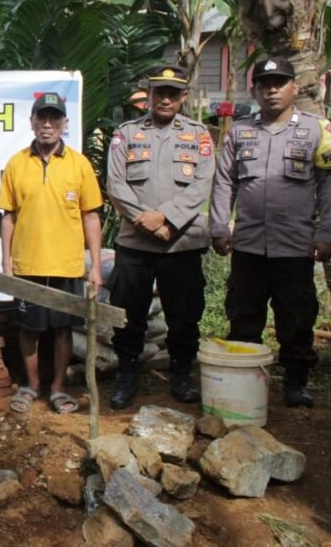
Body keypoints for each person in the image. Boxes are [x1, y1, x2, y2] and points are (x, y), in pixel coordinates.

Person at [210, 56, 331, 408]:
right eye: (265, 85)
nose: (272, 91)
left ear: (295, 87)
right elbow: (224, 182)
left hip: (294, 245)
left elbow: (327, 186)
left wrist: (326, 233)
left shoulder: (316, 131)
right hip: (248, 244)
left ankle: (296, 380)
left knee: (296, 315)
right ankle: (245, 381)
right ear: (255, 91)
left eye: (280, 83)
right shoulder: (240, 131)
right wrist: (219, 226)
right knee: (243, 314)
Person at [106, 65, 215, 410]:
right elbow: (116, 184)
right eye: (159, 92)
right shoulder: (126, 133)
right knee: (129, 314)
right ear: (149, 95)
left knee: (184, 315)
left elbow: (202, 184)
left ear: (183, 97)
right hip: (135, 243)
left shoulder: (198, 135)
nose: (165, 99)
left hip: (181, 242)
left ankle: (181, 374)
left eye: (173, 93)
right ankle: (127, 374)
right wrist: (149, 222)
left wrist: (167, 218)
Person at [0, 93, 103, 415]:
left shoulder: (79, 164)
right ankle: (30, 385)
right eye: (41, 118)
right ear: (31, 122)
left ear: (64, 123)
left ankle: (58, 388)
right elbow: (8, 216)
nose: (47, 124)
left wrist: (96, 267)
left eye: (54, 118)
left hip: (67, 265)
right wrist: (6, 262)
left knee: (62, 329)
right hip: (27, 264)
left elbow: (90, 216)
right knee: (28, 328)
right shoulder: (17, 163)